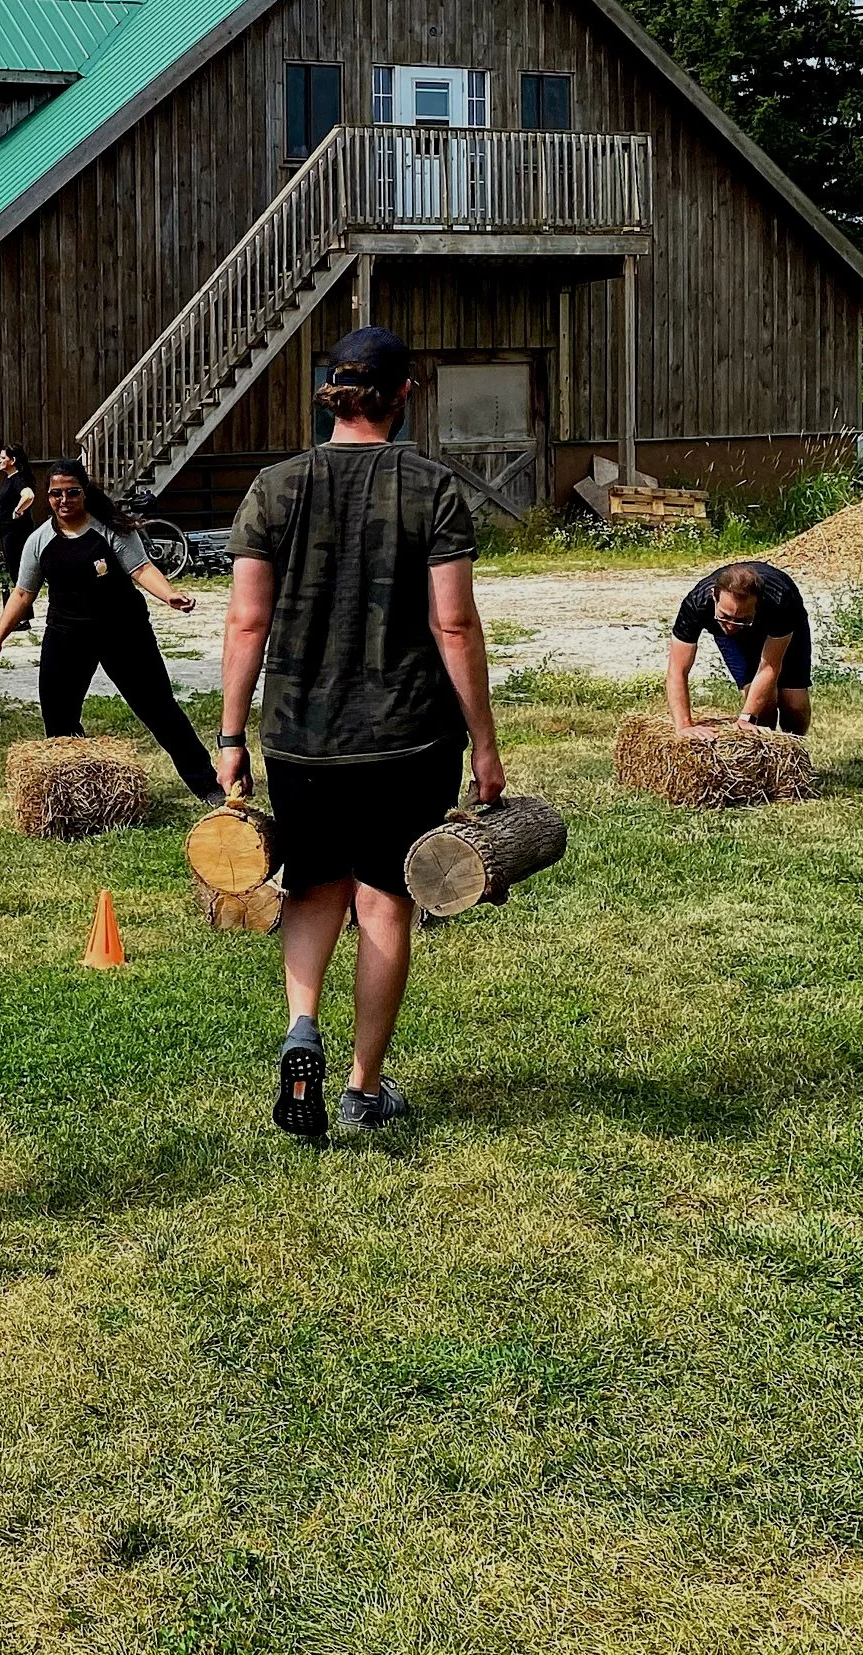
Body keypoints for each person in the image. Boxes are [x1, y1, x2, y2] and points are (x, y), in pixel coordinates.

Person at [217, 327, 505, 1136]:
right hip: (406, 739)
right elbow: (454, 625)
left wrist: (231, 737)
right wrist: (485, 742)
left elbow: (246, 621)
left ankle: (301, 1025)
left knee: (312, 887)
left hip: (298, 738)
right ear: (403, 395)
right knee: (383, 901)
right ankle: (361, 1088)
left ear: (333, 396)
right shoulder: (432, 488)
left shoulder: (274, 487)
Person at [0, 455, 223, 804]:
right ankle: (72, 798)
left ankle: (208, 786)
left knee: (159, 709)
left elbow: (141, 568)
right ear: (47, 497)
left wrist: (169, 595)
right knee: (59, 719)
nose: (64, 500)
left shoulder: (110, 530)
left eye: (72, 492)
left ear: (85, 492)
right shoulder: (38, 540)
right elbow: (22, 593)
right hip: (67, 635)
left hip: (123, 632)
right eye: (56, 494)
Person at [666, 560, 811, 736]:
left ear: (757, 603)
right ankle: (764, 749)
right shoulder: (696, 604)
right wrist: (684, 726)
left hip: (781, 626)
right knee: (764, 705)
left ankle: (795, 749)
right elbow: (677, 669)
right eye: (725, 616)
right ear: (714, 597)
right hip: (732, 637)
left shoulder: (780, 600)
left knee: (794, 703)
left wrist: (745, 717)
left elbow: (769, 667)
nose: (731, 625)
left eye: (740, 619)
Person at [0, 443, 38, 626]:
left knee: (19, 574)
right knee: (15, 573)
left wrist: (18, 510)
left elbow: (29, 495)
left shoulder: (18, 479)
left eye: (3, 457)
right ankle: (22, 615)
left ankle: (23, 617)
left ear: (13, 460)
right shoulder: (8, 478)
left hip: (16, 533)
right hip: (7, 533)